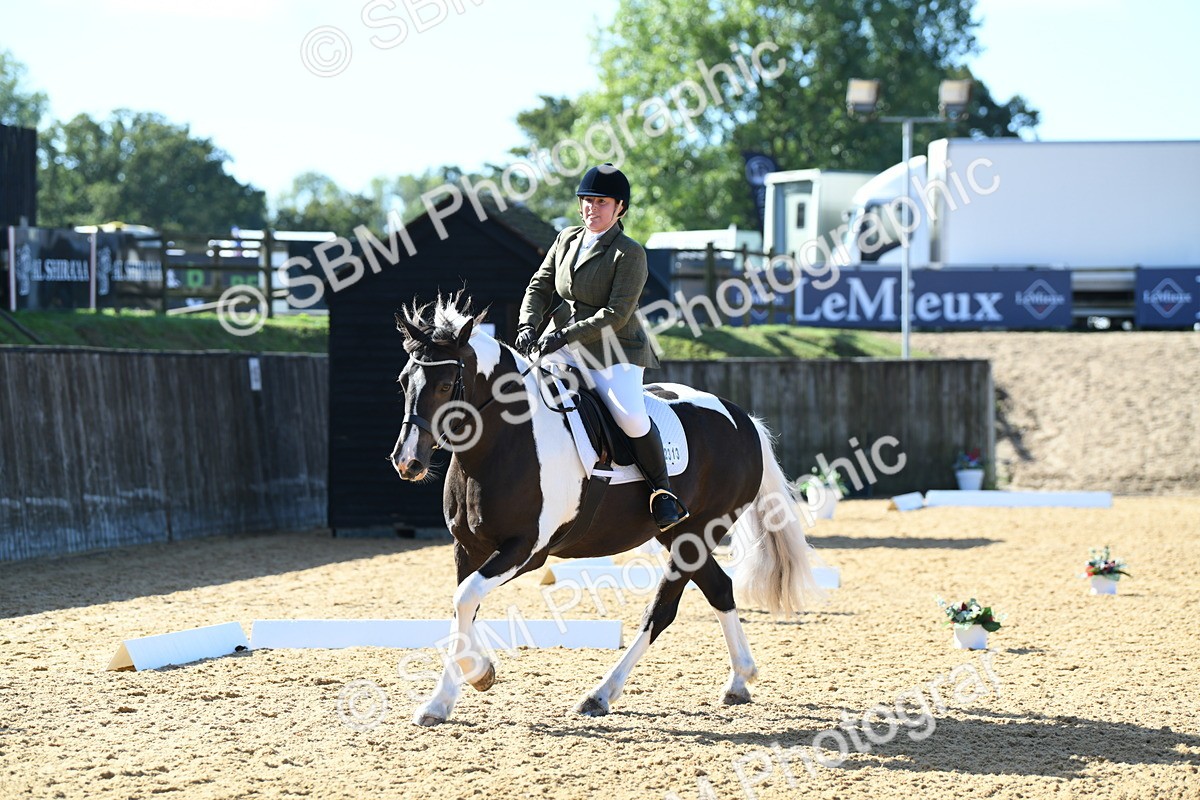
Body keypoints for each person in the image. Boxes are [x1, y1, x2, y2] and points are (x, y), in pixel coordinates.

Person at [515, 163, 690, 532]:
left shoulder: (629, 253)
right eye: (586, 201)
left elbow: (616, 314)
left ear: (619, 208)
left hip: (614, 350)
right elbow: (539, 286)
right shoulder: (566, 240)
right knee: (519, 385)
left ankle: (663, 492)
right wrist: (528, 323)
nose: (591, 208)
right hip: (559, 340)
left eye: (601, 202)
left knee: (630, 416)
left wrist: (562, 336)